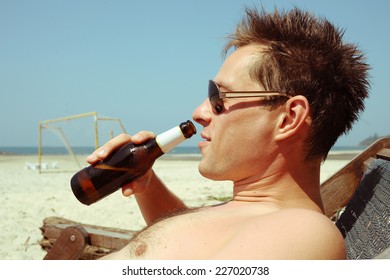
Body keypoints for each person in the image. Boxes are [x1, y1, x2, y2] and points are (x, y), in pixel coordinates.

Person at [87, 6, 369, 259]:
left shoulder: (305, 233)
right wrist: (147, 185)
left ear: (289, 119)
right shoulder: (266, 221)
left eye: (219, 98)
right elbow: (192, 246)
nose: (199, 112)